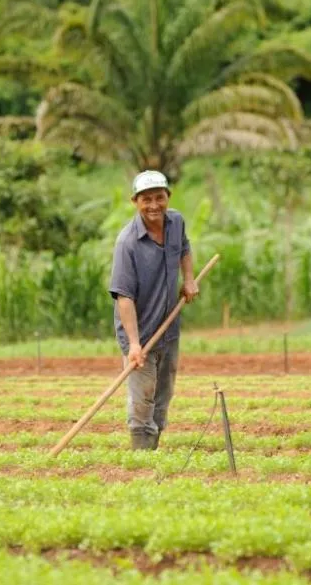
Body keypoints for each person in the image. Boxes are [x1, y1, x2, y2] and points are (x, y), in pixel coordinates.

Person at [108, 170, 199, 450]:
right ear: (135, 201)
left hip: (168, 328)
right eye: (146, 199)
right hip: (141, 334)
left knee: (163, 394)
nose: (154, 205)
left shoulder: (176, 222)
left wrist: (189, 278)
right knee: (142, 398)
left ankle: (153, 449)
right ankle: (141, 458)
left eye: (159, 198)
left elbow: (184, 248)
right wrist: (134, 344)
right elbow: (123, 297)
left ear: (167, 197)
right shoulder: (128, 244)